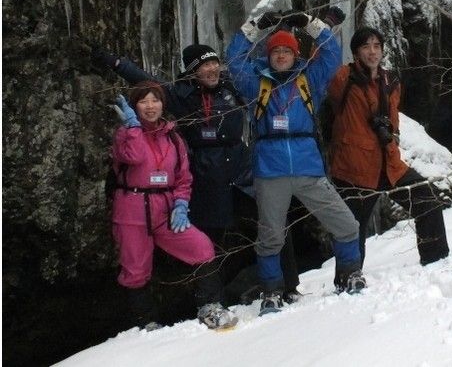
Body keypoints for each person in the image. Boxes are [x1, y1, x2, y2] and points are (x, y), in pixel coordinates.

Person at [92, 42, 302, 302]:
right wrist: (114, 62)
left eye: (214, 62)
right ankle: (211, 301)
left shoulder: (231, 86)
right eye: (205, 65)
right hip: (207, 176)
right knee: (208, 242)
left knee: (275, 221)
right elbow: (146, 83)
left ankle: (288, 285)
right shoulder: (181, 95)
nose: (212, 68)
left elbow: (264, 70)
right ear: (193, 71)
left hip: (242, 171)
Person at [226, 7, 366, 315]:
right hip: (270, 171)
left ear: (294, 55)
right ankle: (272, 291)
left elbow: (331, 53)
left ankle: (349, 274)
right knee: (271, 237)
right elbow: (234, 61)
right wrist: (254, 28)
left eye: (285, 51)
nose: (280, 55)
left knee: (346, 224)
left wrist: (309, 23)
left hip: (308, 167)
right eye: (275, 51)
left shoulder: (309, 82)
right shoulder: (256, 85)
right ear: (268, 54)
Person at [109, 81, 236, 330]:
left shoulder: (173, 138)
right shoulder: (125, 135)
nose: (150, 106)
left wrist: (180, 203)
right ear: (134, 107)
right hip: (132, 210)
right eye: (143, 101)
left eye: (154, 100)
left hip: (166, 210)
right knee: (135, 269)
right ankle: (143, 323)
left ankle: (210, 306)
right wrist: (133, 127)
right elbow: (133, 157)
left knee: (202, 247)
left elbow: (183, 177)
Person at [328, 27, 450, 267]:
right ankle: (349, 279)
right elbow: (325, 57)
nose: (372, 52)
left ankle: (436, 263)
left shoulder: (391, 81)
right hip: (355, 167)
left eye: (376, 46)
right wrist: (323, 25)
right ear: (355, 53)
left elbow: (393, 120)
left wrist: (392, 135)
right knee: (352, 228)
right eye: (366, 46)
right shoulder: (344, 78)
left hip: (389, 163)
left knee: (427, 200)